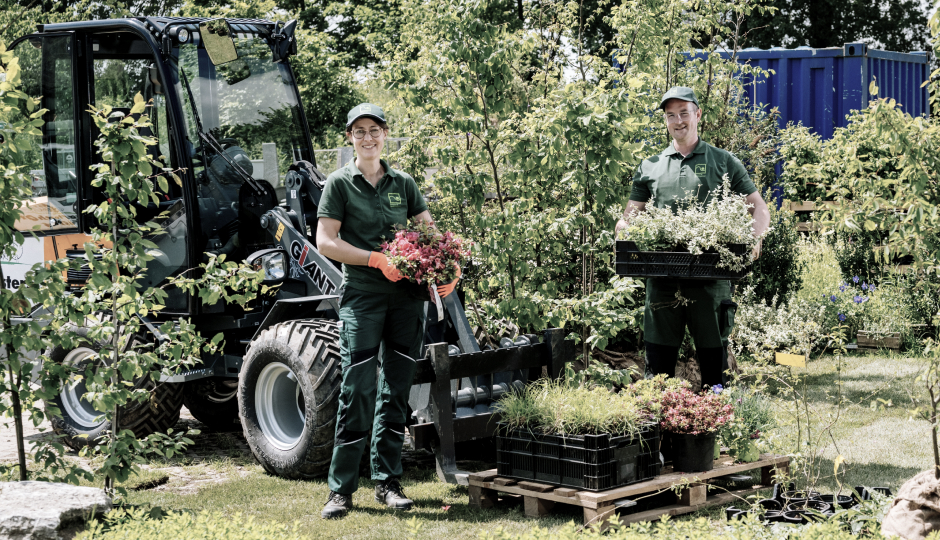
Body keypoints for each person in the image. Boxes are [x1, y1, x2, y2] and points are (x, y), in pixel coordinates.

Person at [315, 103, 459, 519]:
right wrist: (376, 260)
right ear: (349, 138)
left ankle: (388, 482)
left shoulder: (404, 183)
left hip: (407, 299)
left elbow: (430, 233)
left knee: (396, 388)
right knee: (357, 386)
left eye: (374, 130)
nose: (367, 137)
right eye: (359, 131)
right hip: (363, 297)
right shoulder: (339, 184)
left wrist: (450, 267)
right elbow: (326, 242)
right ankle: (341, 490)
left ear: (385, 134)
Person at [615, 87, 770, 389]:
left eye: (684, 113)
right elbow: (631, 216)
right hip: (662, 280)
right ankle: (658, 430)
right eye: (671, 115)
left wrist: (755, 236)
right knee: (657, 374)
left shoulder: (722, 161)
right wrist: (623, 229)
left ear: (698, 114)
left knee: (716, 373)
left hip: (710, 281)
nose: (678, 121)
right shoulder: (651, 166)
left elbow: (758, 207)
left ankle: (718, 430)